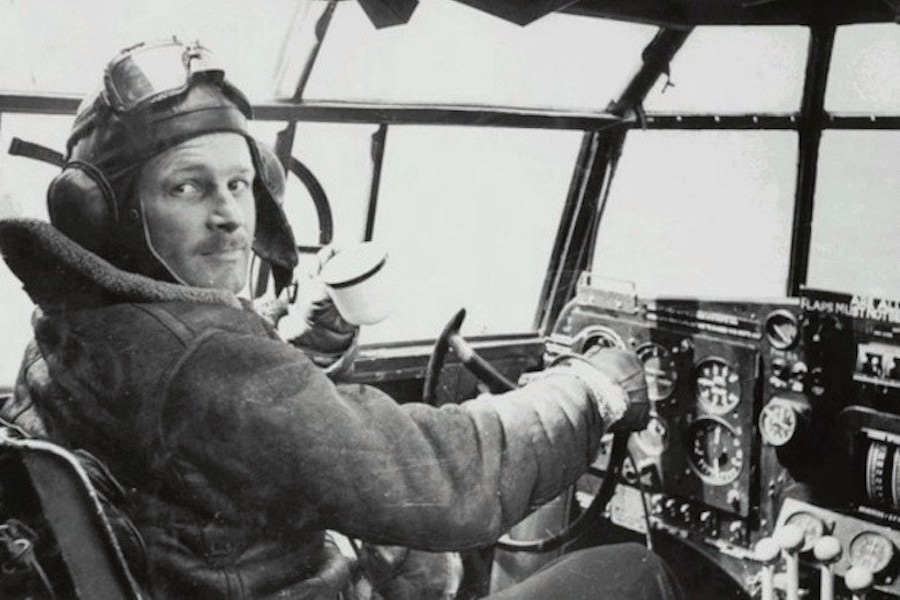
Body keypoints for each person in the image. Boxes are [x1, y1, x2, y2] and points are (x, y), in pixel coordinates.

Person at [0, 39, 680, 599]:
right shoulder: (201, 363)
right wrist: (593, 390)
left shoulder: (72, 328)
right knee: (631, 572)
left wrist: (296, 338)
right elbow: (448, 479)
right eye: (188, 185)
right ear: (105, 215)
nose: (231, 214)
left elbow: (211, 429)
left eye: (239, 183)